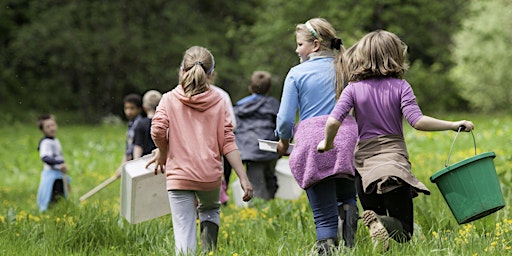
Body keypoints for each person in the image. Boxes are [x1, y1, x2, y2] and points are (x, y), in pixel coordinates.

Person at [317, 30, 475, 251]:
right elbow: (417, 121)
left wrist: (327, 143)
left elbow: (333, 121)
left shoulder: (352, 89)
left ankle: (372, 221)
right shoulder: (401, 87)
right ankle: (380, 223)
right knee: (403, 232)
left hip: (364, 167)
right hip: (394, 166)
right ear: (395, 57)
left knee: (376, 217)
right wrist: (453, 124)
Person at [146, 46, 253, 255]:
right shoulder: (220, 101)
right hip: (209, 174)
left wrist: (163, 151)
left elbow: (157, 129)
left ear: (181, 70)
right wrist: (243, 177)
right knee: (210, 210)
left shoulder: (168, 98)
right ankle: (209, 252)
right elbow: (228, 142)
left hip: (179, 175)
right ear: (211, 74)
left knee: (184, 229)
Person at [275, 18, 359, 254]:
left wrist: (283, 141)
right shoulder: (345, 67)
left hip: (314, 141)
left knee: (323, 216)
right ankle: (350, 247)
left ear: (315, 45)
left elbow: (284, 119)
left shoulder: (296, 73)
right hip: (347, 137)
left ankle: (327, 249)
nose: (297, 49)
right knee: (347, 197)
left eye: (300, 44)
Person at [234, 70, 280, 201]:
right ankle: (269, 209)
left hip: (249, 149)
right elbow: (282, 125)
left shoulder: (240, 106)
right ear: (269, 88)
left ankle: (261, 211)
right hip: (270, 147)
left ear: (250, 87)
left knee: (256, 184)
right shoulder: (273, 104)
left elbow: (233, 128)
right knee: (270, 179)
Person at [36, 114, 71, 212]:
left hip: (59, 174)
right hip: (52, 176)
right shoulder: (45, 142)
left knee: (61, 194)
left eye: (53, 125)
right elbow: (45, 158)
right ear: (42, 130)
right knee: (52, 195)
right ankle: (50, 212)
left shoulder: (55, 140)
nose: (51, 128)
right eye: (48, 127)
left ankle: (60, 211)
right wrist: (59, 163)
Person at [115, 93, 143, 177]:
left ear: (139, 109)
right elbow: (128, 149)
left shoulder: (140, 125)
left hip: (137, 163)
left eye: (132, 108)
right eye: (126, 108)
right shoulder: (131, 124)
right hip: (130, 162)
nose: (128, 111)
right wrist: (122, 166)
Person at [133, 90, 162, 159]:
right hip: (162, 159)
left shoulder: (141, 124)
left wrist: (136, 161)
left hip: (145, 162)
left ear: (144, 107)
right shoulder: (165, 123)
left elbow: (138, 146)